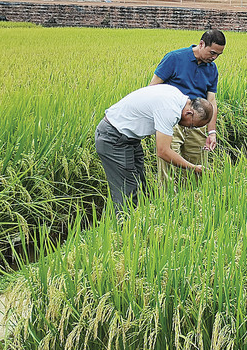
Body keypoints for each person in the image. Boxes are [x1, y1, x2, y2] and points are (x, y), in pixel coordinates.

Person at [95, 85, 213, 213]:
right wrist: (193, 167)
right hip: (113, 138)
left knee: (140, 186)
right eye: (192, 125)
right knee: (127, 192)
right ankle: (123, 223)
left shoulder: (177, 96)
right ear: (189, 113)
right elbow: (163, 151)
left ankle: (140, 221)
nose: (188, 128)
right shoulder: (170, 110)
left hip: (130, 139)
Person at [149, 29, 225, 187]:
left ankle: (192, 200)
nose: (214, 58)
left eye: (218, 55)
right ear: (201, 44)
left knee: (197, 169)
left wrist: (211, 132)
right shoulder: (174, 58)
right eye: (212, 53)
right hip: (172, 121)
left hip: (198, 122)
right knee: (168, 165)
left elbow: (211, 102)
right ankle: (166, 199)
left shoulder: (212, 69)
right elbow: (152, 89)